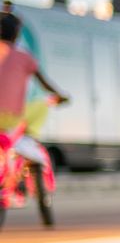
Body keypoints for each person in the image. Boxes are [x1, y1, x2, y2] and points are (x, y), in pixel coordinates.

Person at [0, 11, 70, 167]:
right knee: (44, 102)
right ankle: (26, 141)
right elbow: (45, 84)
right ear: (17, 34)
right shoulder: (24, 57)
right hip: (12, 118)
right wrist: (60, 95)